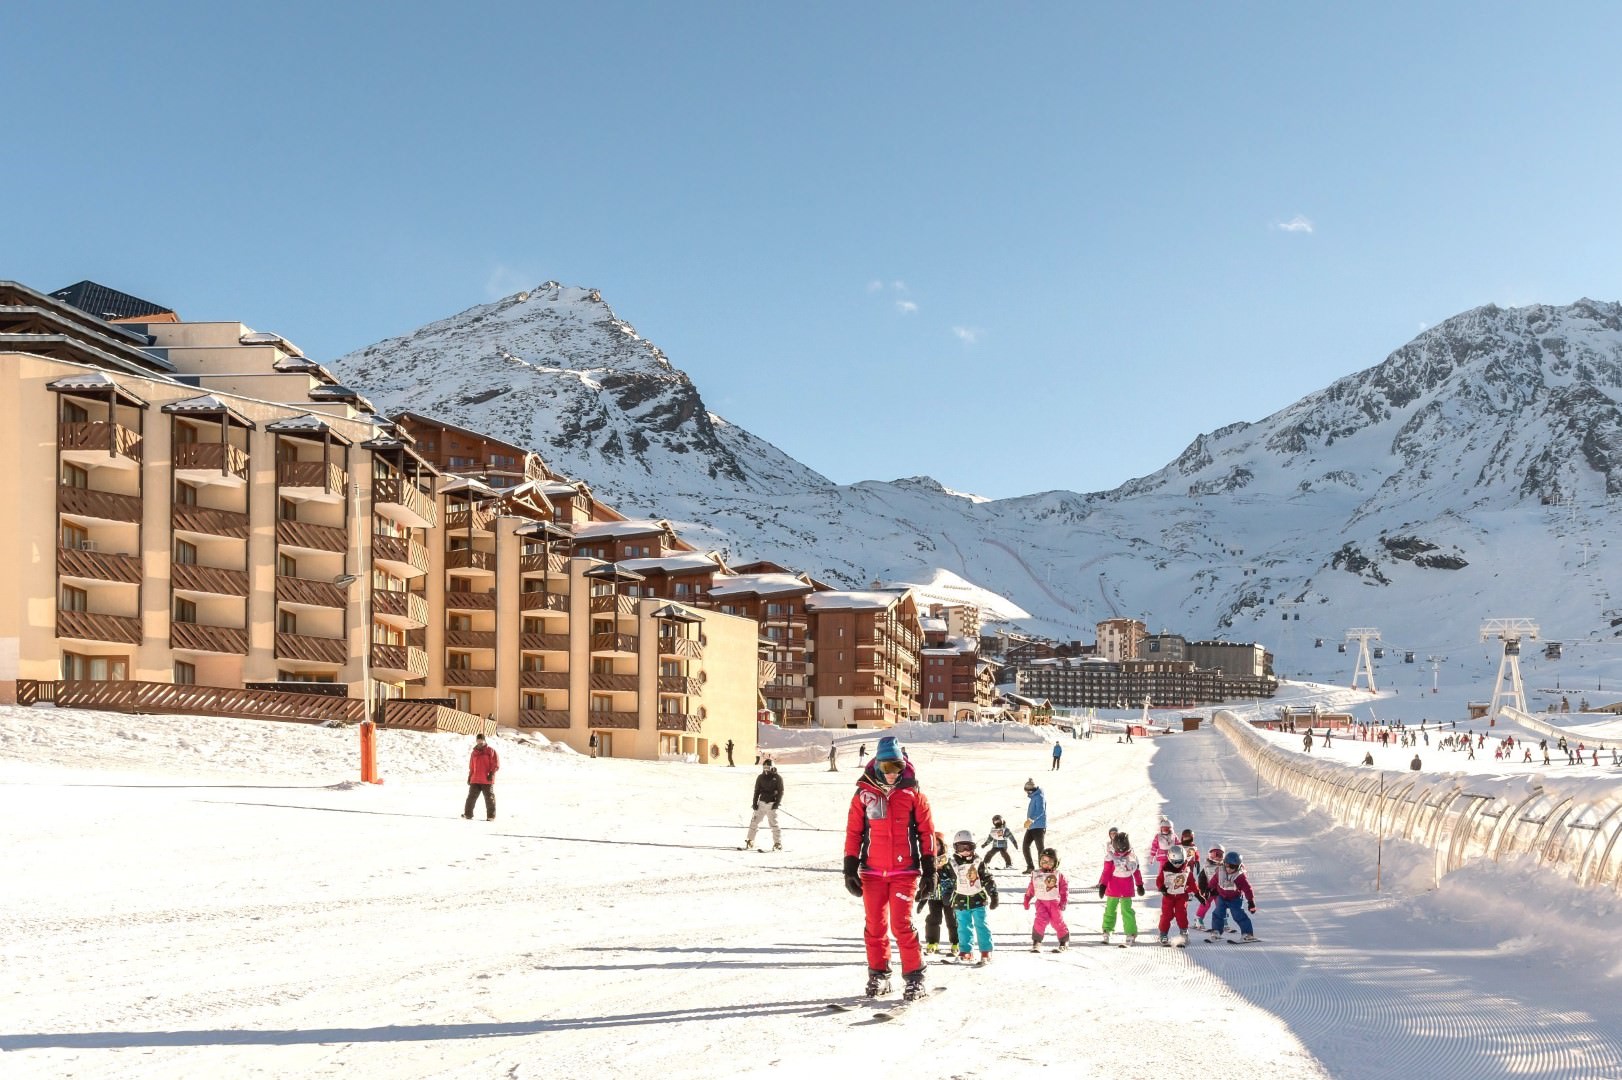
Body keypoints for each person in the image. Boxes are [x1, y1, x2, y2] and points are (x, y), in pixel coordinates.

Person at [843, 735, 936, 1002]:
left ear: (903, 764)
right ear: (876, 766)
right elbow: (854, 832)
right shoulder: (863, 795)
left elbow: (926, 834)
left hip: (904, 872)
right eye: (886, 768)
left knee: (901, 925)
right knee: (874, 926)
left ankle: (915, 976)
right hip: (872, 872)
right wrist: (850, 868)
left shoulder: (914, 795)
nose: (892, 774)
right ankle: (879, 974)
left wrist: (930, 871)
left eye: (896, 767)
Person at [945, 829, 998, 964]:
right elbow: (948, 881)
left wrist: (993, 893)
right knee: (963, 927)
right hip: (960, 900)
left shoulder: (978, 862)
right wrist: (947, 893)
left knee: (981, 925)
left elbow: (987, 879)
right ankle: (966, 952)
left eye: (968, 847)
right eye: (961, 847)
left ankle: (986, 952)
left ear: (973, 847)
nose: (965, 851)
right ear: (955, 848)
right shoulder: (952, 864)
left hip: (978, 899)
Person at [1096, 831, 1144, 946]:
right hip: (1113, 888)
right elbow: (1106, 872)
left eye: (1124, 846)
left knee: (1127, 911)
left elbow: (1136, 872)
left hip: (1126, 888)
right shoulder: (1110, 857)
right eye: (1119, 846)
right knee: (1110, 910)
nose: (1121, 849)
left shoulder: (1132, 857)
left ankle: (1130, 933)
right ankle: (1107, 930)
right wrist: (1103, 885)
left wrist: (1139, 885)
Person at [916, 832, 959, 956]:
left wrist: (953, 891)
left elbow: (956, 878)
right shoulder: (928, 862)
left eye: (938, 845)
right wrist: (922, 896)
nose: (936, 848)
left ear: (942, 846)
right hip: (934, 897)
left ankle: (956, 942)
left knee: (952, 919)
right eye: (933, 845)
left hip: (948, 896)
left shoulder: (949, 860)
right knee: (933, 919)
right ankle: (932, 942)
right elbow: (926, 881)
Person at [1206, 850, 1257, 942]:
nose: (1229, 868)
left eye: (1232, 867)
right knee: (1218, 914)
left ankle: (1248, 934)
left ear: (1238, 866)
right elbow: (1214, 880)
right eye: (1227, 865)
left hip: (1235, 899)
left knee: (1238, 915)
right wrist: (1209, 889)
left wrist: (1251, 902)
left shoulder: (1240, 877)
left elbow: (1248, 889)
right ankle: (1216, 931)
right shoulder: (1220, 871)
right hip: (1221, 897)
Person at [1025, 847, 1069, 952]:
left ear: (1055, 863)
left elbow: (1064, 888)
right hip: (1041, 902)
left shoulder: (1059, 875)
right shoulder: (1036, 874)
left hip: (1054, 903)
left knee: (1057, 921)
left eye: (1050, 862)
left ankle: (1064, 942)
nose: (1046, 864)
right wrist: (1027, 898)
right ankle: (1036, 942)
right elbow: (1032, 887)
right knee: (1040, 920)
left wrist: (1063, 901)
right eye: (1044, 861)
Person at [1155, 844, 1199, 946]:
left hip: (1181, 896)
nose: (1178, 864)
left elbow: (1192, 882)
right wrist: (1161, 887)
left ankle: (1184, 932)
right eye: (1175, 862)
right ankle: (1163, 933)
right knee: (1167, 915)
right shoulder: (1166, 869)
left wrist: (1198, 894)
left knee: (1181, 914)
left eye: (1180, 862)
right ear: (1170, 859)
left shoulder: (1186, 870)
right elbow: (1159, 880)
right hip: (1168, 896)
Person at [742, 759, 784, 851]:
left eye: (768, 767)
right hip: (761, 803)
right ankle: (750, 840)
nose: (766, 769)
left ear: (772, 767)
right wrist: (754, 803)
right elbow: (757, 791)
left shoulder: (777, 778)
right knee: (754, 822)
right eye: (764, 767)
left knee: (773, 823)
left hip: (771, 803)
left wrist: (776, 804)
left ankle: (777, 843)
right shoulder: (760, 777)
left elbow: (781, 791)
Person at [463, 732, 499, 821]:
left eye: (481, 740)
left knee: (489, 798)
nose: (480, 742)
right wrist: (470, 776)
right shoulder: (474, 752)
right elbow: (471, 766)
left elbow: (496, 764)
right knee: (471, 797)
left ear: (484, 740)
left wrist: (491, 773)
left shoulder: (490, 751)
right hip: (475, 779)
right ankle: (468, 814)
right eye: (478, 741)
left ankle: (491, 816)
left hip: (487, 779)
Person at [1193, 844, 1224, 930]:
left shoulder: (1225, 867)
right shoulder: (1207, 868)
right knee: (1205, 904)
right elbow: (1201, 879)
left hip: (1220, 891)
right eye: (1215, 855)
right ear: (1210, 855)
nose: (1217, 857)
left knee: (1221, 906)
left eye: (1220, 855)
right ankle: (1198, 919)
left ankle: (1223, 921)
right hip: (1208, 891)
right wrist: (1203, 890)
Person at [1021, 779, 1048, 872]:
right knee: (1025, 846)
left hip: (1039, 827)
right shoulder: (1034, 797)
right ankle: (1030, 867)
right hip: (1032, 826)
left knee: (1040, 848)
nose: (1026, 793)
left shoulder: (1039, 796)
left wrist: (1031, 819)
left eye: (1027, 791)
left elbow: (1041, 811)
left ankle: (1043, 868)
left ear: (1030, 790)